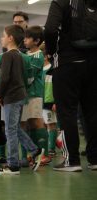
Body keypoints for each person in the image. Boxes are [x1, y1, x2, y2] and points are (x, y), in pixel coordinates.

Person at [44, 0, 97, 171]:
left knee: (66, 112)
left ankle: (71, 160)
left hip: (67, 61)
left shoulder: (61, 1)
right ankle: (95, 158)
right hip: (93, 63)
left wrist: (52, 51)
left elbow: (51, 29)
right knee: (92, 112)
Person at [0, 25, 43, 175]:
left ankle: (13, 165)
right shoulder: (22, 56)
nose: (2, 38)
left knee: (10, 130)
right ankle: (34, 149)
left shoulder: (7, 56)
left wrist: (0, 95)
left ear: (10, 38)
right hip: (20, 95)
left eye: (4, 35)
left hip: (11, 96)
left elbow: (4, 78)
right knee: (14, 127)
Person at [21, 26, 51, 165]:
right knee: (29, 123)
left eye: (27, 38)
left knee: (37, 121)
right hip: (26, 94)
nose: (24, 40)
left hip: (34, 93)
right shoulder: (27, 54)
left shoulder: (38, 55)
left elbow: (30, 76)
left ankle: (43, 153)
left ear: (37, 40)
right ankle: (33, 153)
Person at [40, 43, 58, 156]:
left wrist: (55, 102)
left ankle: (51, 149)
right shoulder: (38, 70)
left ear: (46, 56)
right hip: (39, 102)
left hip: (49, 102)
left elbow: (57, 87)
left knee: (51, 124)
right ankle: (45, 148)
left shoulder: (53, 69)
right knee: (42, 125)